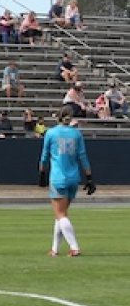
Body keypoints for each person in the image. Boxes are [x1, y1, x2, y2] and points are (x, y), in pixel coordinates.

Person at [39, 107, 94, 257]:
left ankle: (74, 247)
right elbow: (83, 157)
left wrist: (42, 174)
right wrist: (89, 178)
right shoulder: (76, 134)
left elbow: (44, 156)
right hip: (73, 178)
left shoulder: (51, 133)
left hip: (58, 178)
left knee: (60, 214)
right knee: (60, 214)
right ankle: (55, 249)